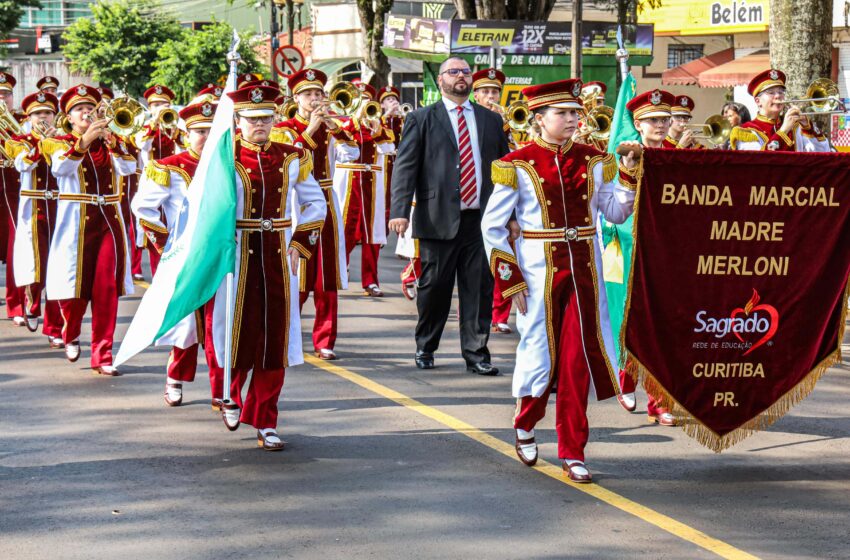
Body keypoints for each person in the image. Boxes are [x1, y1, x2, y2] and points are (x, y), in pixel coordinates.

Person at [481, 78, 639, 482]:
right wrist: (510, 279)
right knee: (539, 356)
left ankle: (574, 450)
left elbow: (616, 212)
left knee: (578, 361)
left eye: (574, 112)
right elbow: (493, 227)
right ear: (538, 119)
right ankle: (526, 421)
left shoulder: (594, 160)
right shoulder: (516, 164)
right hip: (538, 274)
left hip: (587, 272)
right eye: (562, 113)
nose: (572, 119)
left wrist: (630, 175)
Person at [213, 84, 326, 450]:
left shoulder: (293, 157)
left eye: (266, 118)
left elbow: (315, 204)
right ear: (238, 121)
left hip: (278, 252)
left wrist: (300, 243)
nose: (260, 125)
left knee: (274, 338)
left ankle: (266, 420)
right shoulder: (223, 158)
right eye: (252, 119)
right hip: (237, 254)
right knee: (235, 330)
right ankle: (230, 395)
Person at [389, 56, 509, 375]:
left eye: (466, 72)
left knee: (478, 289)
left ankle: (477, 353)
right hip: (437, 217)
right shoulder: (421, 118)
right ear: (441, 79)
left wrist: (511, 214)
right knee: (434, 288)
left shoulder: (490, 120)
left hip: (480, 220)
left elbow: (505, 169)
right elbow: (405, 168)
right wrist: (399, 211)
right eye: (453, 72)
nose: (461, 76)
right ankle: (426, 345)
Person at [41, 84, 137, 375]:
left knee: (106, 287)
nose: (86, 113)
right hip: (76, 223)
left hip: (109, 219)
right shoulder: (57, 142)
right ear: (69, 118)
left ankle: (103, 354)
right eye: (80, 110)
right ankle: (70, 332)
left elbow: (129, 169)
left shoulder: (111, 142)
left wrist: (114, 142)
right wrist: (83, 142)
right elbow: (60, 170)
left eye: (90, 109)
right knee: (74, 288)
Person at [133, 99, 218, 406]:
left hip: (221, 254)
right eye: (199, 131)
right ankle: (175, 376)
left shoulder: (229, 163)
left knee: (219, 321)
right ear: (186, 134)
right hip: (184, 256)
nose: (206, 136)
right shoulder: (169, 166)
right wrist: (166, 244)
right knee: (186, 321)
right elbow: (143, 208)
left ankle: (221, 390)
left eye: (211, 130)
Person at [271, 68, 360, 361]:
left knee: (327, 274)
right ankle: (287, 333)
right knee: (296, 272)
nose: (314, 99)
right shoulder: (283, 128)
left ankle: (325, 339)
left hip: (327, 198)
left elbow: (353, 155)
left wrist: (337, 127)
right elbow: (288, 156)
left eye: (318, 94)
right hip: (295, 201)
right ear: (296, 98)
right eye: (308, 94)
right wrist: (309, 129)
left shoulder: (331, 126)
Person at [609, 89, 678, 425]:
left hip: (667, 248)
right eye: (653, 120)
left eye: (664, 119)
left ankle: (659, 400)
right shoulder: (623, 155)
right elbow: (611, 208)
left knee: (662, 325)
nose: (661, 125)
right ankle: (624, 378)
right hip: (627, 245)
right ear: (637, 123)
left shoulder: (679, 155)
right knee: (628, 316)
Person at [5, 91, 64, 344]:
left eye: (48, 113)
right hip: (34, 206)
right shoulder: (18, 140)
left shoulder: (64, 139)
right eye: (38, 114)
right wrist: (42, 143)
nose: (43, 118)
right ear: (28, 117)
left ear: (55, 116)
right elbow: (22, 164)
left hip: (62, 206)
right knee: (35, 263)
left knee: (60, 269)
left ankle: (55, 327)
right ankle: (31, 300)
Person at [334, 82, 395, 298]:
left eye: (368, 100)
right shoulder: (341, 124)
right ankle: (340, 271)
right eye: (360, 100)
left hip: (372, 181)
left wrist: (375, 127)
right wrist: (352, 121)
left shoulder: (380, 126)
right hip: (347, 179)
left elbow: (388, 149)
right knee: (345, 229)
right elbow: (340, 150)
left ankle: (370, 281)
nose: (365, 106)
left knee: (372, 233)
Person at [471, 68, 515, 334]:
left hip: (503, 195)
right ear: (475, 95)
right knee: (477, 262)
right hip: (475, 197)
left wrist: (507, 127)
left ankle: (500, 315)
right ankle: (477, 313)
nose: (490, 96)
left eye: (495, 92)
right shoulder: (469, 120)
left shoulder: (507, 122)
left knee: (504, 254)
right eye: (485, 92)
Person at [132, 84, 179, 280]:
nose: (160, 107)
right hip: (153, 182)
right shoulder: (143, 127)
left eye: (164, 104)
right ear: (150, 108)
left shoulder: (177, 125)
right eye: (156, 104)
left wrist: (174, 128)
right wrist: (154, 123)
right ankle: (157, 276)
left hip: (175, 183)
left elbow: (185, 146)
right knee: (154, 230)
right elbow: (143, 144)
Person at [729, 69, 831, 152]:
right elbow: (760, 162)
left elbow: (823, 152)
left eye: (781, 92)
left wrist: (807, 127)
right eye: (771, 92)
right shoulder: (746, 131)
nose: (778, 96)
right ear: (758, 101)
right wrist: (784, 129)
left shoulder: (796, 127)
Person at [0, 71, 27, 326]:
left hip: (13, 187)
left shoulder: (22, 122)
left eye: (5, 94)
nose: (2, 98)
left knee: (16, 246)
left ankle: (16, 305)